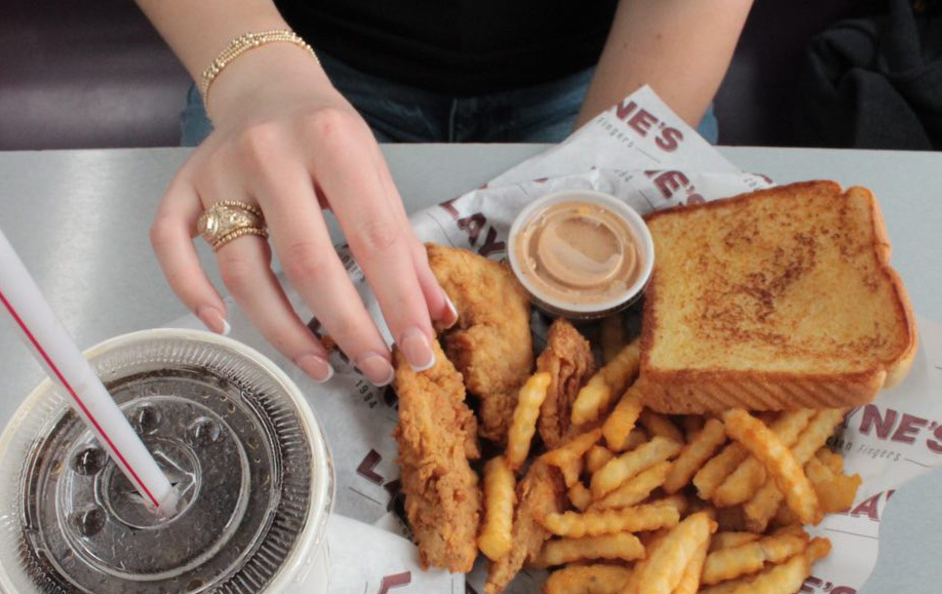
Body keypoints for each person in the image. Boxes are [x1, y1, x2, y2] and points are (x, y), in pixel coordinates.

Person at [138, 0, 754, 386]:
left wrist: (599, 167)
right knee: (245, 368)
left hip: (628, 60)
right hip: (279, 54)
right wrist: (255, 77)